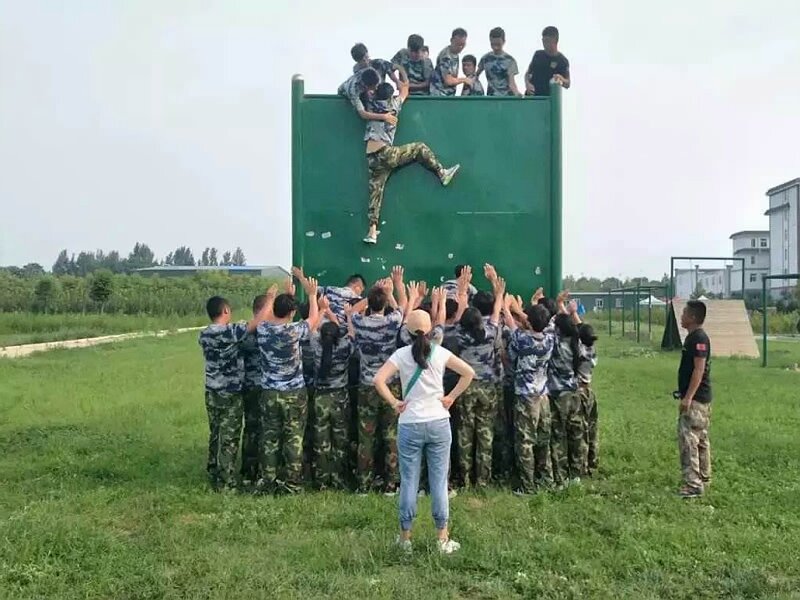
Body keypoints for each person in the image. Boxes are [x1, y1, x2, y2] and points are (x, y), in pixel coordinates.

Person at [373, 299, 475, 555]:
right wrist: (451, 397)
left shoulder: (400, 355)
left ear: (407, 331)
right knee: (439, 482)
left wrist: (395, 402)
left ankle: (405, 539)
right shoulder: (440, 352)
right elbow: (468, 373)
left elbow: (378, 380)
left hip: (410, 422)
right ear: (430, 330)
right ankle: (442, 538)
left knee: (409, 481)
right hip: (439, 421)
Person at [362, 79, 460, 244]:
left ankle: (372, 231)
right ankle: (442, 173)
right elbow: (405, 89)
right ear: (389, 96)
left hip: (372, 158)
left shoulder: (370, 105)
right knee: (419, 147)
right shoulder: (394, 105)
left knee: (376, 193)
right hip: (386, 153)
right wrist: (397, 75)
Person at [198, 289, 273, 491]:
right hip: (230, 392)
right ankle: (226, 482)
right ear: (225, 310)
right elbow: (255, 324)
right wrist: (270, 299)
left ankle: (213, 471)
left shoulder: (204, 334)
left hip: (211, 391)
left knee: (215, 433)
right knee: (229, 438)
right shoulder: (230, 332)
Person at [256, 277, 320, 494]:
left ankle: (268, 481)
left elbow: (263, 318)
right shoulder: (294, 331)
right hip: (293, 392)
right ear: (292, 313)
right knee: (294, 437)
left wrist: (271, 298)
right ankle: (292, 483)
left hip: (269, 392)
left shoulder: (263, 329)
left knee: (270, 437)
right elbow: (313, 319)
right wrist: (312, 295)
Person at [347, 277, 407, 494]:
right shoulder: (391, 322)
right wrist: (389, 292)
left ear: (370, 304)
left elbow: (353, 310)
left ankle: (364, 484)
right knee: (391, 434)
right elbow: (402, 307)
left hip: (367, 384)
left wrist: (372, 293)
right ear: (384, 304)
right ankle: (392, 484)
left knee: (366, 436)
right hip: (390, 384)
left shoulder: (359, 322)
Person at [453, 274, 505, 489]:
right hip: (487, 388)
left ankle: (464, 479)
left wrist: (462, 291)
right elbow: (496, 312)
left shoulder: (459, 333)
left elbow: (460, 315)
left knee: (464, 432)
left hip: (466, 387)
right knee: (485, 432)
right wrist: (498, 292)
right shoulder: (491, 332)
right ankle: (483, 480)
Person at [505, 296, 555, 494]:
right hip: (543, 396)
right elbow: (537, 324)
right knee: (543, 440)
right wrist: (521, 310)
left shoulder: (521, 339)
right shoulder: (550, 339)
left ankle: (527, 486)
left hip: (526, 397)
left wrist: (508, 308)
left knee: (525, 441)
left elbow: (511, 349)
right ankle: (546, 479)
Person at [310, 304, 353, 490]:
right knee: (340, 439)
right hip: (340, 397)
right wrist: (348, 316)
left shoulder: (315, 346)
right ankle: (338, 478)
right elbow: (351, 333)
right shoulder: (345, 346)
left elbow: (312, 328)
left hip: (320, 397)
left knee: (321, 440)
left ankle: (321, 479)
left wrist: (322, 311)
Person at [547, 296, 586, 488]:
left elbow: (546, 327)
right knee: (576, 434)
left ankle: (560, 476)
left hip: (557, 395)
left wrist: (560, 309)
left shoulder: (555, 343)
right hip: (574, 393)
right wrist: (569, 312)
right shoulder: (578, 343)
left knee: (558, 435)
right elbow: (579, 328)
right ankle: (576, 474)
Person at [676, 300, 712, 498]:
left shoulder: (699, 338)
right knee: (701, 440)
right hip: (700, 398)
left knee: (689, 440)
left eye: (684, 313)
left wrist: (688, 397)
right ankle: (704, 478)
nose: (681, 316)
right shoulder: (693, 338)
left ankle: (693, 484)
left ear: (692, 317)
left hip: (696, 399)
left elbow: (699, 369)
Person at [239, 294, 270, 484]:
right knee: (257, 429)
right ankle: (254, 472)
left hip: (255, 386)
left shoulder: (247, 330)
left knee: (256, 429)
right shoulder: (253, 331)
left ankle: (254, 471)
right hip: (259, 386)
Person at [576, 323, 599, 475]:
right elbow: (584, 334)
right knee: (592, 428)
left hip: (580, 392)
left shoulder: (580, 353)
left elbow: (576, 338)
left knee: (582, 429)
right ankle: (593, 461)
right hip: (589, 391)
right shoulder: (592, 351)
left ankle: (582, 464)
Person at [524, 26, 570, 97]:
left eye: (547, 41)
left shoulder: (562, 61)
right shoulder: (538, 55)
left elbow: (567, 84)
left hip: (549, 99)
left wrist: (561, 78)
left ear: (555, 40)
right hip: (533, 97)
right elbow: (528, 73)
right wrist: (527, 84)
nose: (544, 44)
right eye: (543, 41)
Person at [477, 27, 521, 96]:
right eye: (493, 44)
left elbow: (511, 83)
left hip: (506, 97)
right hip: (491, 97)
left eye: (498, 44)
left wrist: (517, 94)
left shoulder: (510, 60)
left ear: (504, 41)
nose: (495, 47)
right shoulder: (485, 58)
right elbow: (476, 75)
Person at [429, 28, 472, 97]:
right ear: (451, 40)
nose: (460, 47)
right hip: (439, 95)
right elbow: (448, 81)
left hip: (449, 94)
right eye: (458, 44)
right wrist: (464, 80)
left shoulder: (455, 55)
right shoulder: (445, 56)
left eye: (463, 44)